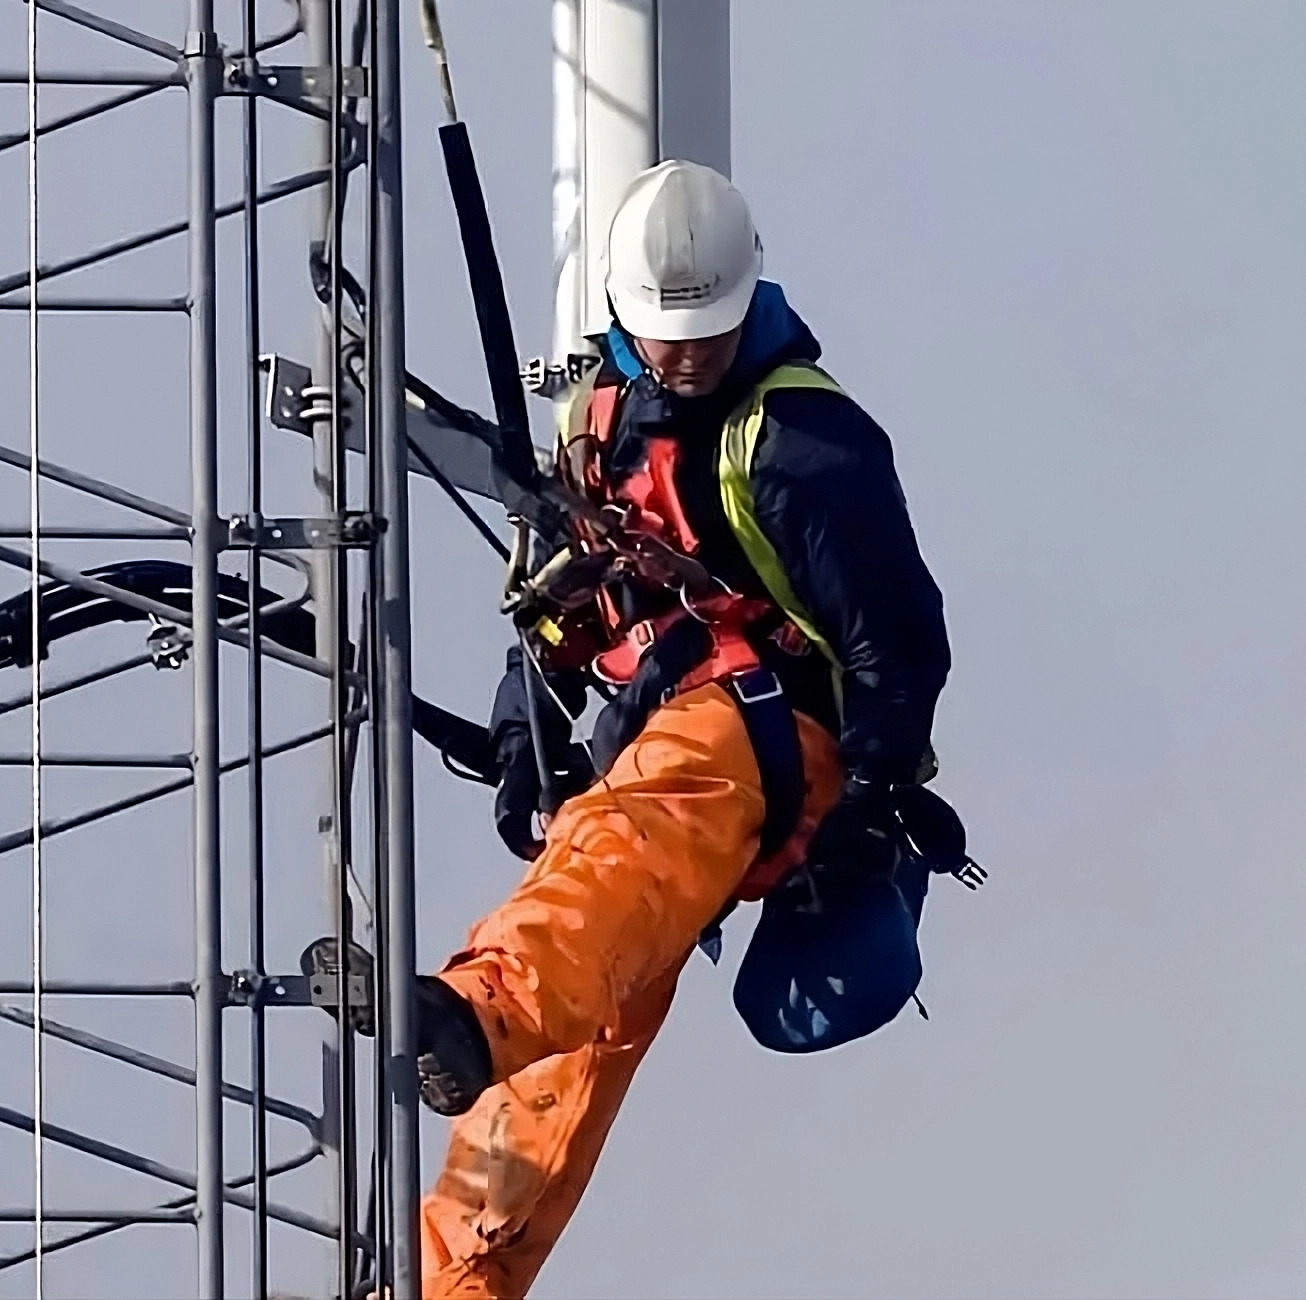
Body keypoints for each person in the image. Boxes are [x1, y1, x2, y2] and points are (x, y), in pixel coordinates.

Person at [318, 158, 955, 1298]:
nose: (686, 355)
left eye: (705, 334)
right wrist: (525, 732)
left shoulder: (805, 443)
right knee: (591, 988)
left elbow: (900, 640)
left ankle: (480, 1004)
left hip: (773, 740)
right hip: (656, 731)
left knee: (641, 827)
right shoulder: (594, 408)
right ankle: (448, 1280)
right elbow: (566, 595)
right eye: (666, 334)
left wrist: (870, 796)